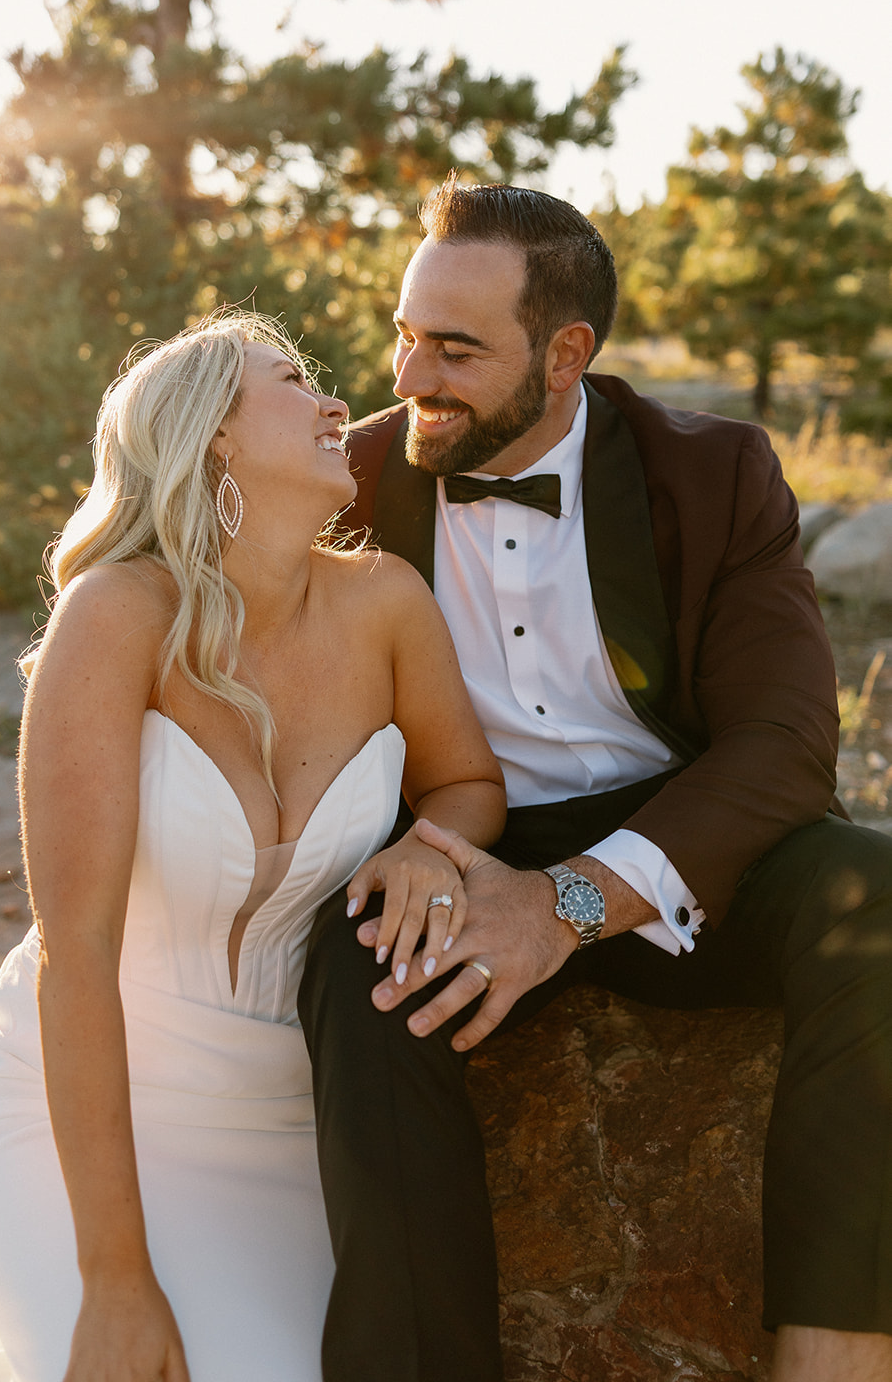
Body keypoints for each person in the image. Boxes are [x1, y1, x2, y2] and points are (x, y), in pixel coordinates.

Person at [0, 312, 507, 1382]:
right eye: (292, 381)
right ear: (214, 440)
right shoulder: (116, 614)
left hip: (283, 1110)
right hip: (97, 1101)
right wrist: (115, 1281)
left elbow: (468, 784)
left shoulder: (386, 602)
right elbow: (75, 952)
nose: (338, 403)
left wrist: (430, 847)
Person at [298, 176, 892, 1382]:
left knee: (875, 893)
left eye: (454, 349)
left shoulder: (710, 472)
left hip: (682, 845)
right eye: (404, 334)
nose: (409, 376)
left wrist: (567, 904)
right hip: (462, 841)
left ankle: (833, 1352)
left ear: (565, 352)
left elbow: (782, 745)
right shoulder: (350, 480)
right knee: (351, 957)